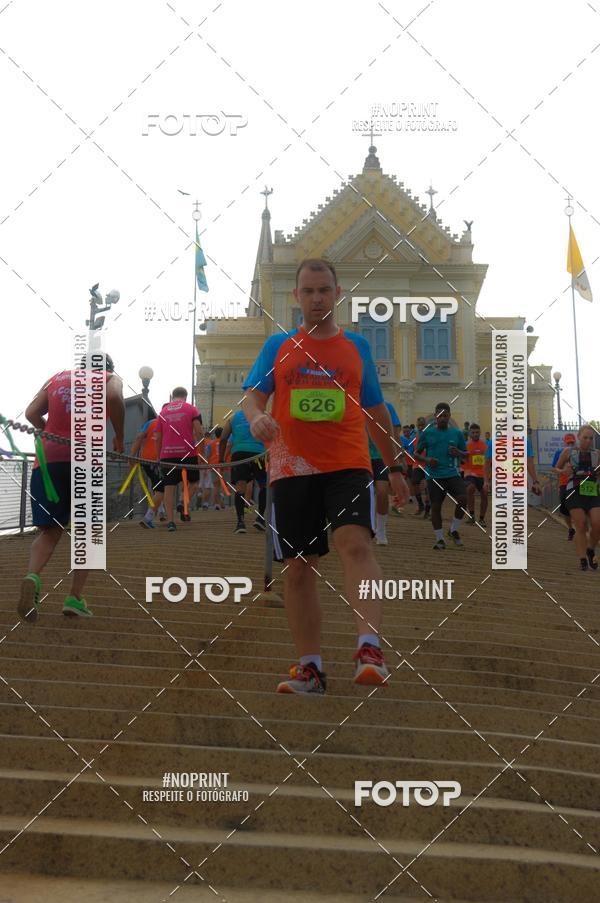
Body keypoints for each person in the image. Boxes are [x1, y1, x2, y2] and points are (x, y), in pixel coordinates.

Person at [242, 257, 410, 694]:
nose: (317, 298)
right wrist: (258, 417)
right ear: (296, 297)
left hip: (347, 463)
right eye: (308, 291)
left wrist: (393, 468)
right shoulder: (278, 346)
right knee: (299, 569)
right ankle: (310, 669)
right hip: (291, 467)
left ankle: (369, 648)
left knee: (354, 542)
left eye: (324, 290)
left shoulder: (357, 347)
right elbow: (252, 398)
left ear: (338, 294)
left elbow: (375, 413)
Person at [18, 356, 125, 621]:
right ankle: (74, 598)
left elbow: (31, 412)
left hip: (47, 461)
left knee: (50, 530)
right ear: (108, 367)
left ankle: (32, 576)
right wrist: (119, 436)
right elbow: (113, 398)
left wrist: (51, 435)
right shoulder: (110, 378)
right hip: (85, 461)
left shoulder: (57, 378)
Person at [414, 402, 468, 550]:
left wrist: (459, 453)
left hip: (452, 473)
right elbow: (416, 453)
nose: (442, 418)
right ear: (436, 416)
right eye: (440, 415)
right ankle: (439, 539)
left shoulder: (457, 433)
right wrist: (427, 460)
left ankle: (453, 530)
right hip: (434, 476)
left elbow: (466, 455)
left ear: (449, 416)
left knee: (463, 499)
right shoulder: (427, 433)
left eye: (445, 415)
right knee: (436, 506)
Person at [155, 387, 202, 531]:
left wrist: (159, 457)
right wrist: (200, 452)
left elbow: (158, 437)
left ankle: (170, 522)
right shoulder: (192, 409)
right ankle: (183, 501)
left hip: (167, 455)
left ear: (172, 397)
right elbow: (199, 432)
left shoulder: (162, 412)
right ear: (185, 396)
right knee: (194, 483)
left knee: (169, 488)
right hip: (188, 453)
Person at [555, 424, 600, 571]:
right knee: (580, 524)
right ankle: (582, 559)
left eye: (591, 438)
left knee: (597, 524)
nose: (588, 441)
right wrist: (563, 471)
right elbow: (555, 467)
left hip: (592, 491)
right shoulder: (569, 451)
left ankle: (590, 549)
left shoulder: (597, 454)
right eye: (585, 437)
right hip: (574, 490)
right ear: (579, 437)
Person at [219, 410, 267, 533]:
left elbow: (223, 438)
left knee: (240, 487)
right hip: (258, 454)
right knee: (263, 485)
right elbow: (271, 435)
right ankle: (260, 518)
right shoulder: (263, 414)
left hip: (239, 454)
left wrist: (221, 459)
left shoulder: (233, 417)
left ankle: (240, 523)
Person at [368, 400, 402, 544]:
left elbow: (395, 434)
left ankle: (381, 530)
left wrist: (399, 458)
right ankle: (368, 527)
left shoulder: (388, 407)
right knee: (367, 494)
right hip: (361, 457)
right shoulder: (354, 403)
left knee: (382, 492)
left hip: (381, 457)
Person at [130, 415, 165, 529]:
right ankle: (148, 517)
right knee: (162, 488)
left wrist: (132, 456)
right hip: (160, 461)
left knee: (158, 486)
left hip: (145, 460)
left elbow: (139, 437)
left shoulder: (150, 423)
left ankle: (161, 512)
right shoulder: (170, 424)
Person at [552, 433, 577, 540]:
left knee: (578, 505)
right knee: (564, 508)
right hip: (564, 483)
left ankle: (581, 528)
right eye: (568, 442)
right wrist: (562, 471)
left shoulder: (579, 452)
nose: (570, 444)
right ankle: (571, 528)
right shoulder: (559, 452)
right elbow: (554, 468)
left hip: (577, 483)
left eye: (572, 442)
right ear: (564, 442)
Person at [464, 423, 488, 527]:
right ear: (470, 433)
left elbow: (489, 462)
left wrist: (489, 476)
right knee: (470, 488)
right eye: (473, 432)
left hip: (483, 474)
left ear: (480, 433)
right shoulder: (466, 445)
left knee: (485, 494)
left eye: (477, 432)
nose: (475, 434)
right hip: (470, 473)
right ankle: (472, 515)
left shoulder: (485, 445)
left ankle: (482, 519)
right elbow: (463, 460)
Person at [410, 416, 431, 517]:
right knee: (414, 482)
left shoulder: (430, 436)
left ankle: (427, 510)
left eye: (423, 425)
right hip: (417, 465)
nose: (421, 427)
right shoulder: (415, 437)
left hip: (428, 465)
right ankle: (420, 505)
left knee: (428, 488)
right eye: (419, 425)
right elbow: (412, 451)